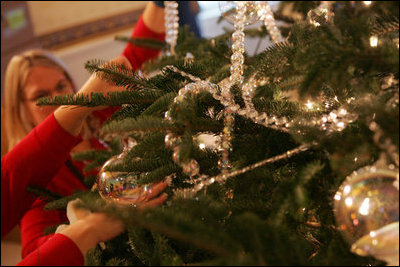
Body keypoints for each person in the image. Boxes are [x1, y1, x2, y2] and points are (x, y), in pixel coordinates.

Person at [2, 1, 167, 265]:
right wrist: (92, 227)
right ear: (21, 110)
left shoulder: (98, 116)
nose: (57, 99)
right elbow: (34, 251)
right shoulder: (35, 178)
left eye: (61, 85)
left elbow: (135, 56)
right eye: (41, 96)